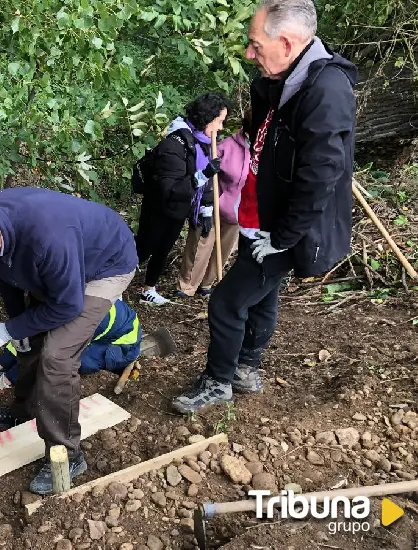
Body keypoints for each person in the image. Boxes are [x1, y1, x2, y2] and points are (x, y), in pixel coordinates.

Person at [172, 0, 357, 414]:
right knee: (262, 294)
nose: (249, 54)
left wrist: (282, 239)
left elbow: (321, 175)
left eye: (255, 45)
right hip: (261, 218)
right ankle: (246, 368)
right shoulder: (285, 83)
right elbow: (266, 144)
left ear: (287, 43)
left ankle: (219, 381)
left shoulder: (325, 91)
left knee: (226, 302)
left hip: (283, 229)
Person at [0, 188, 138, 495]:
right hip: (63, 267)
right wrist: (16, 327)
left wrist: (9, 329)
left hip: (104, 266)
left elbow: (68, 306)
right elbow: (7, 275)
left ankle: (68, 455)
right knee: (29, 339)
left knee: (57, 357)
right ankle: (25, 410)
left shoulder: (47, 239)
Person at [134, 92, 230, 305]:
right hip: (159, 206)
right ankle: (113, 284)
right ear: (207, 117)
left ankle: (148, 288)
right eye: (219, 121)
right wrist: (203, 174)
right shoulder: (175, 144)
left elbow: (204, 185)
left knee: (164, 248)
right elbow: (171, 188)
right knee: (143, 248)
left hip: (179, 208)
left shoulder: (203, 143)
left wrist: (206, 211)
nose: (221, 128)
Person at [0, 299, 142, 396]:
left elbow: (44, 355)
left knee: (68, 360)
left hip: (121, 345)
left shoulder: (81, 319)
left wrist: (5, 380)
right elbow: (22, 340)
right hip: (105, 329)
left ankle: (115, 364)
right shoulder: (48, 303)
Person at [177, 113, 252, 297]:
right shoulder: (225, 146)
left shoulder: (262, 149)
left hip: (238, 213)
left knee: (224, 250)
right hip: (214, 207)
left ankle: (207, 285)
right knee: (199, 247)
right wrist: (206, 206)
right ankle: (187, 287)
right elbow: (205, 174)